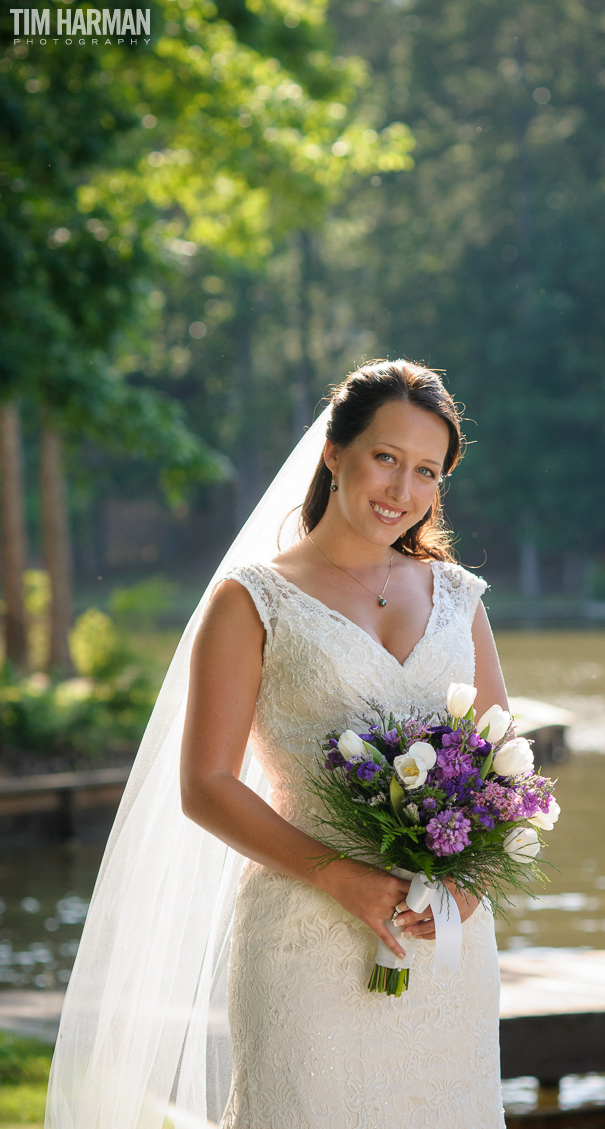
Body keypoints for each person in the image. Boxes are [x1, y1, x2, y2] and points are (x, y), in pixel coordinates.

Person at [45, 360, 508, 1129]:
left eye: (427, 471)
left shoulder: (459, 597)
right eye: (385, 458)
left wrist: (470, 881)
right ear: (335, 452)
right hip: (306, 940)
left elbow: (502, 763)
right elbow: (207, 784)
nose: (402, 490)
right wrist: (341, 877)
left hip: (445, 946)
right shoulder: (252, 598)